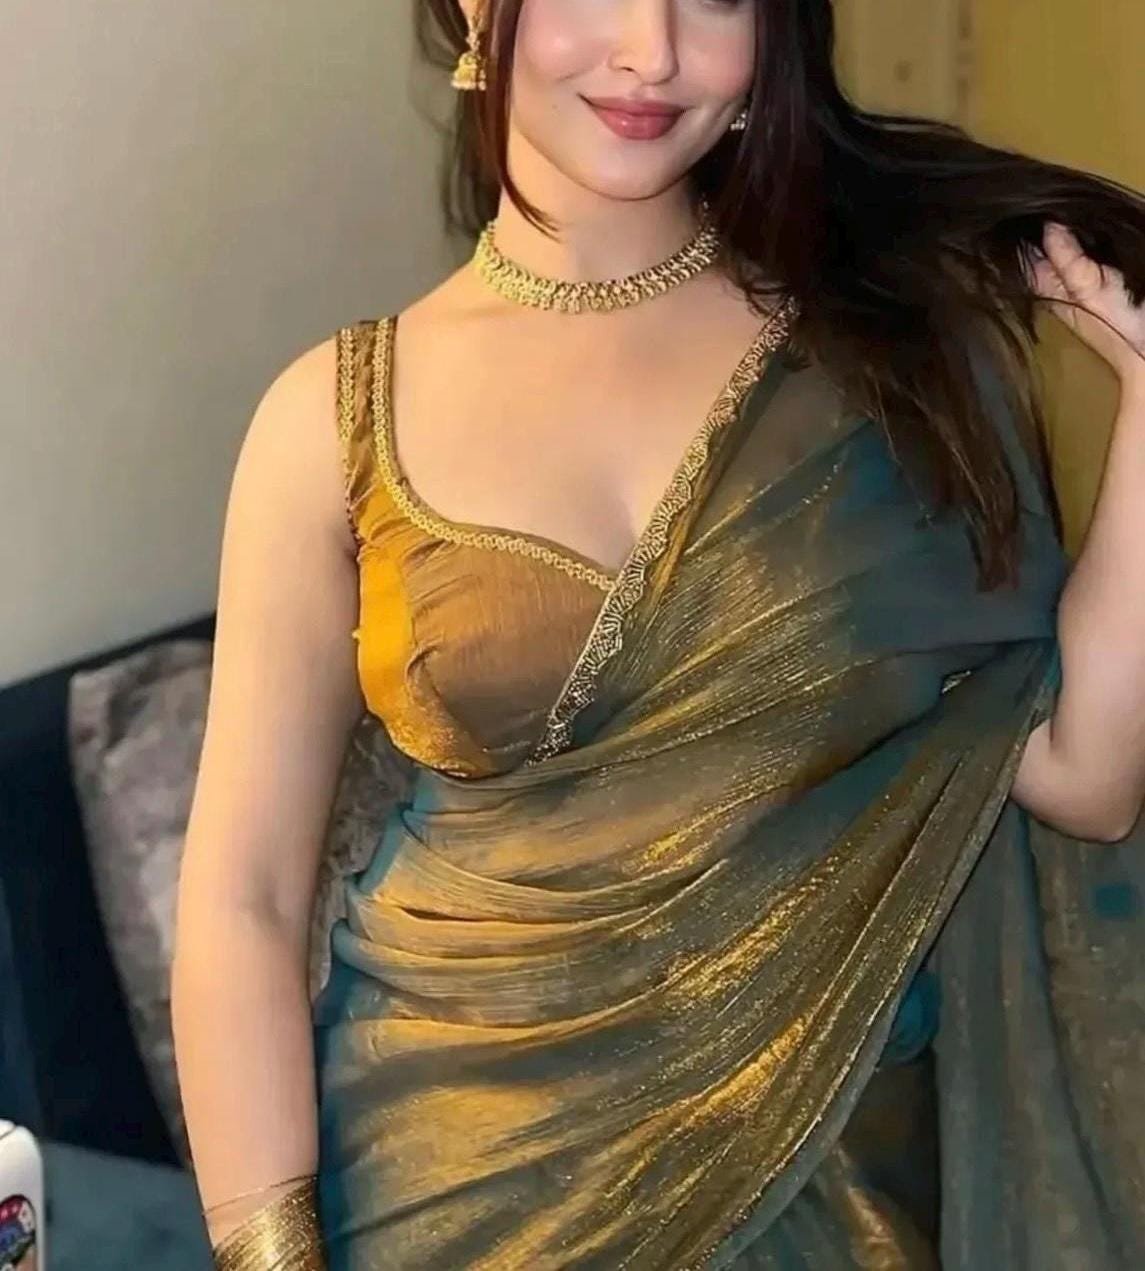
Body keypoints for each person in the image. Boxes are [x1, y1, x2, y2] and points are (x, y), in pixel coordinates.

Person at [171, 1, 1145, 1267]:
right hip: (438, 1182)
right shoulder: (332, 420)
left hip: (828, 1185)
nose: (652, 49)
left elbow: (1082, 777)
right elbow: (243, 893)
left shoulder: (891, 360)